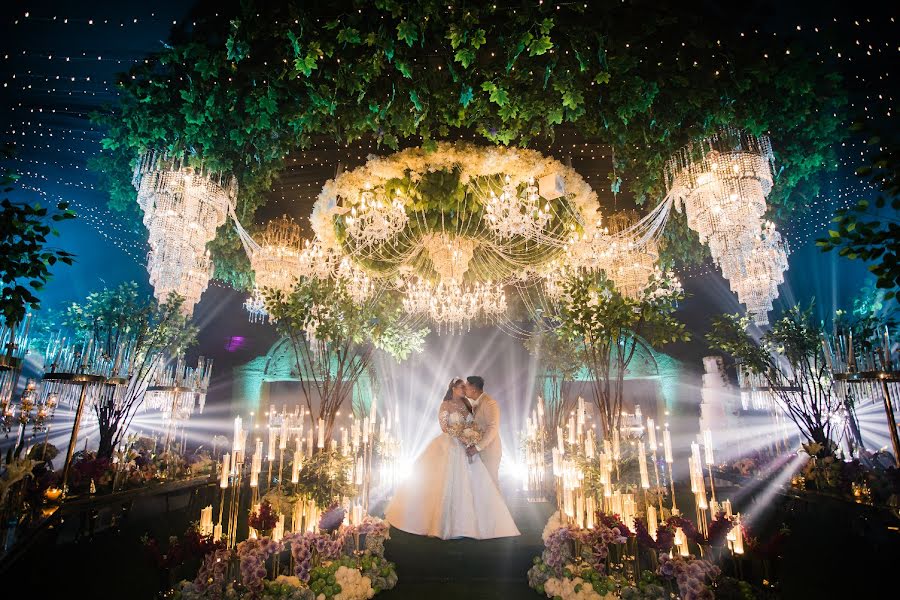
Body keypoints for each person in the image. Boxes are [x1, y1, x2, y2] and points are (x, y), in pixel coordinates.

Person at [384, 377, 519, 540]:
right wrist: (459, 434)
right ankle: (443, 523)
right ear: (453, 389)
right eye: (461, 387)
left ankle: (478, 522)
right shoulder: (445, 405)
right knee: (445, 482)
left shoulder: (471, 404)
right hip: (450, 445)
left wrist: (470, 437)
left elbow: (477, 425)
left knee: (474, 484)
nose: (464, 390)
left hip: (469, 447)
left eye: (466, 387)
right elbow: (444, 426)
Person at [462, 375, 502, 486]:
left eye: (466, 387)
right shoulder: (475, 403)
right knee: (481, 486)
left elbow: (492, 428)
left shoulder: (489, 403)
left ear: (473, 389)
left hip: (489, 452)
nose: (464, 389)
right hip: (479, 452)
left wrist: (477, 447)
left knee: (491, 486)